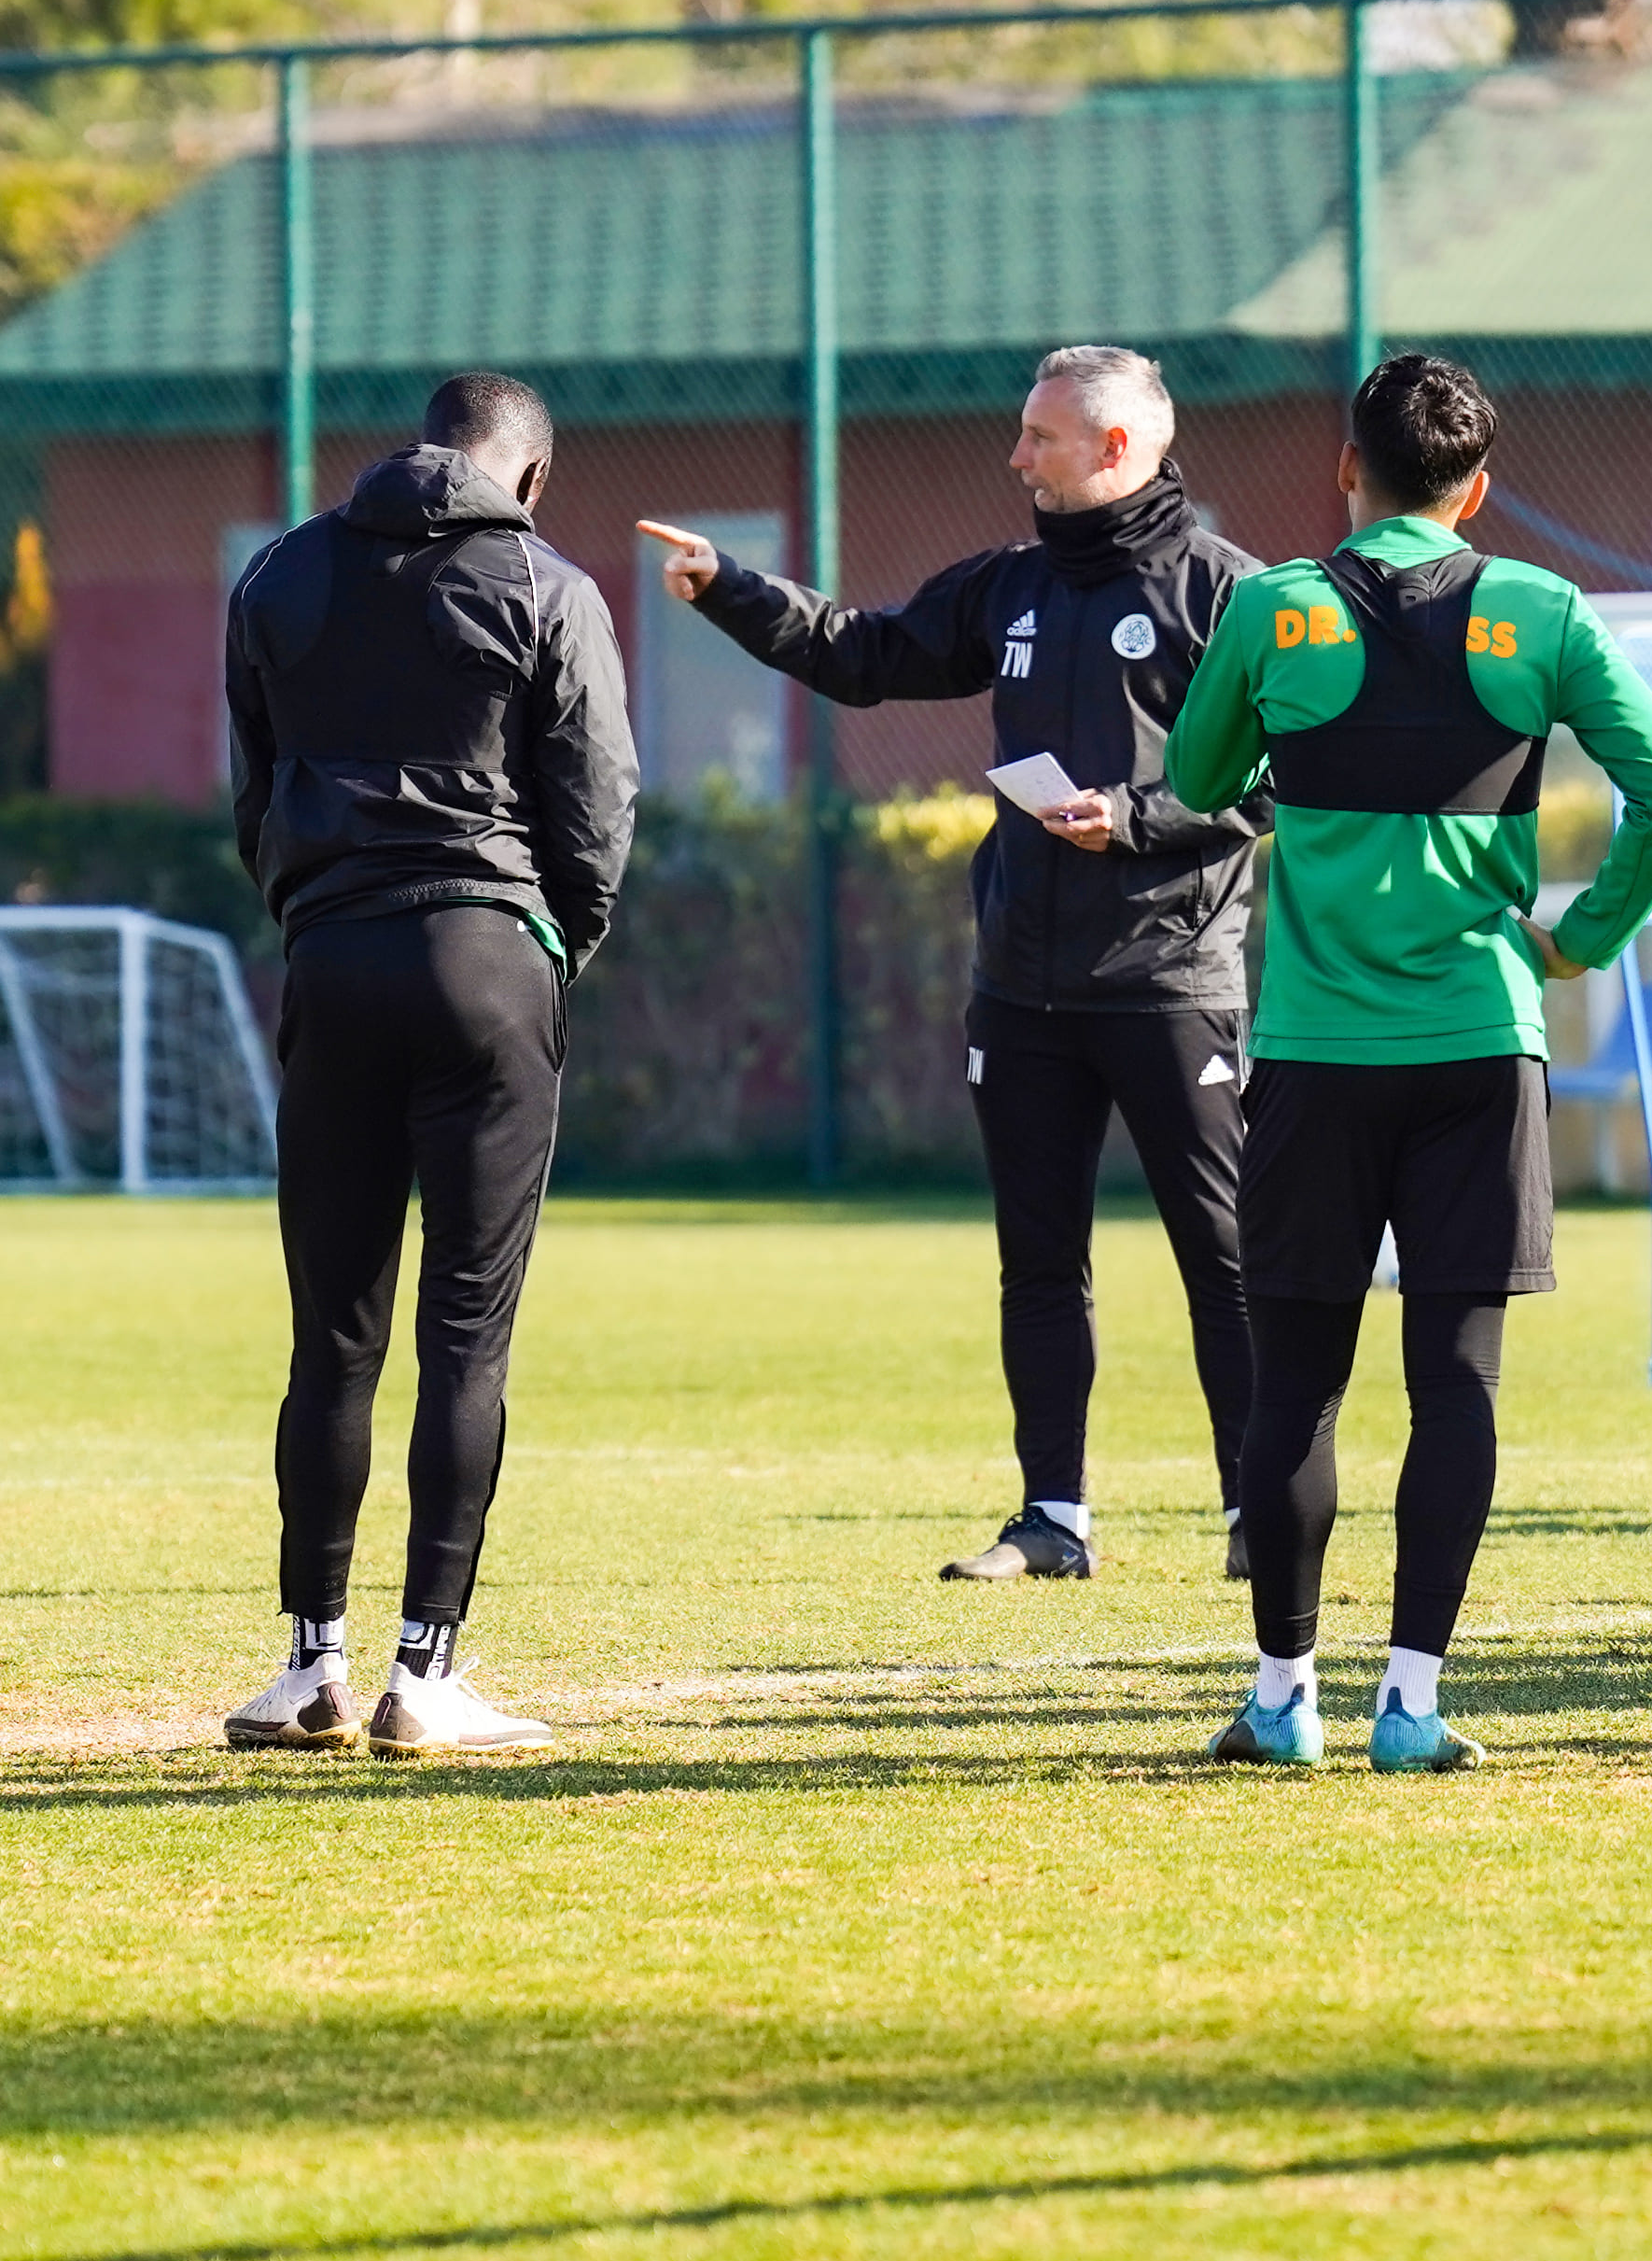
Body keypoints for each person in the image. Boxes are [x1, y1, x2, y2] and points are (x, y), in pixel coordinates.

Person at [1163, 352, 1652, 1771]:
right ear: (1476, 490)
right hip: (1481, 1039)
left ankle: (1283, 1701)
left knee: (1297, 1386)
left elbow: (1205, 784)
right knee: (1457, 1379)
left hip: (1314, 1054)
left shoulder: (1276, 609)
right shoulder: (1539, 610)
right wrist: (1581, 935)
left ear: (1347, 471)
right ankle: (1414, 1704)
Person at [651, 346, 1266, 1586]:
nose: (1016, 457)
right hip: (1024, 985)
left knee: (1227, 1254)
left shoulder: (1229, 596)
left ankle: (1262, 1513)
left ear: (1116, 448)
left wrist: (1137, 819)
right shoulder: (1011, 587)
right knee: (1039, 1264)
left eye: (1040, 437)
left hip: (1173, 978)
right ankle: (1052, 1521)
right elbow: (865, 654)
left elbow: (1277, 776)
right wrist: (729, 590)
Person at [227, 372, 637, 1758]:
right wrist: (555, 940)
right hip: (486, 964)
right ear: (527, 478)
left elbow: (255, 781)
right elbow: (598, 797)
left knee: (331, 1335)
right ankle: (426, 1675)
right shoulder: (543, 579)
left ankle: (307, 1671)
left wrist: (310, 908)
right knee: (468, 1327)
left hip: (332, 959)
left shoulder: (281, 571)